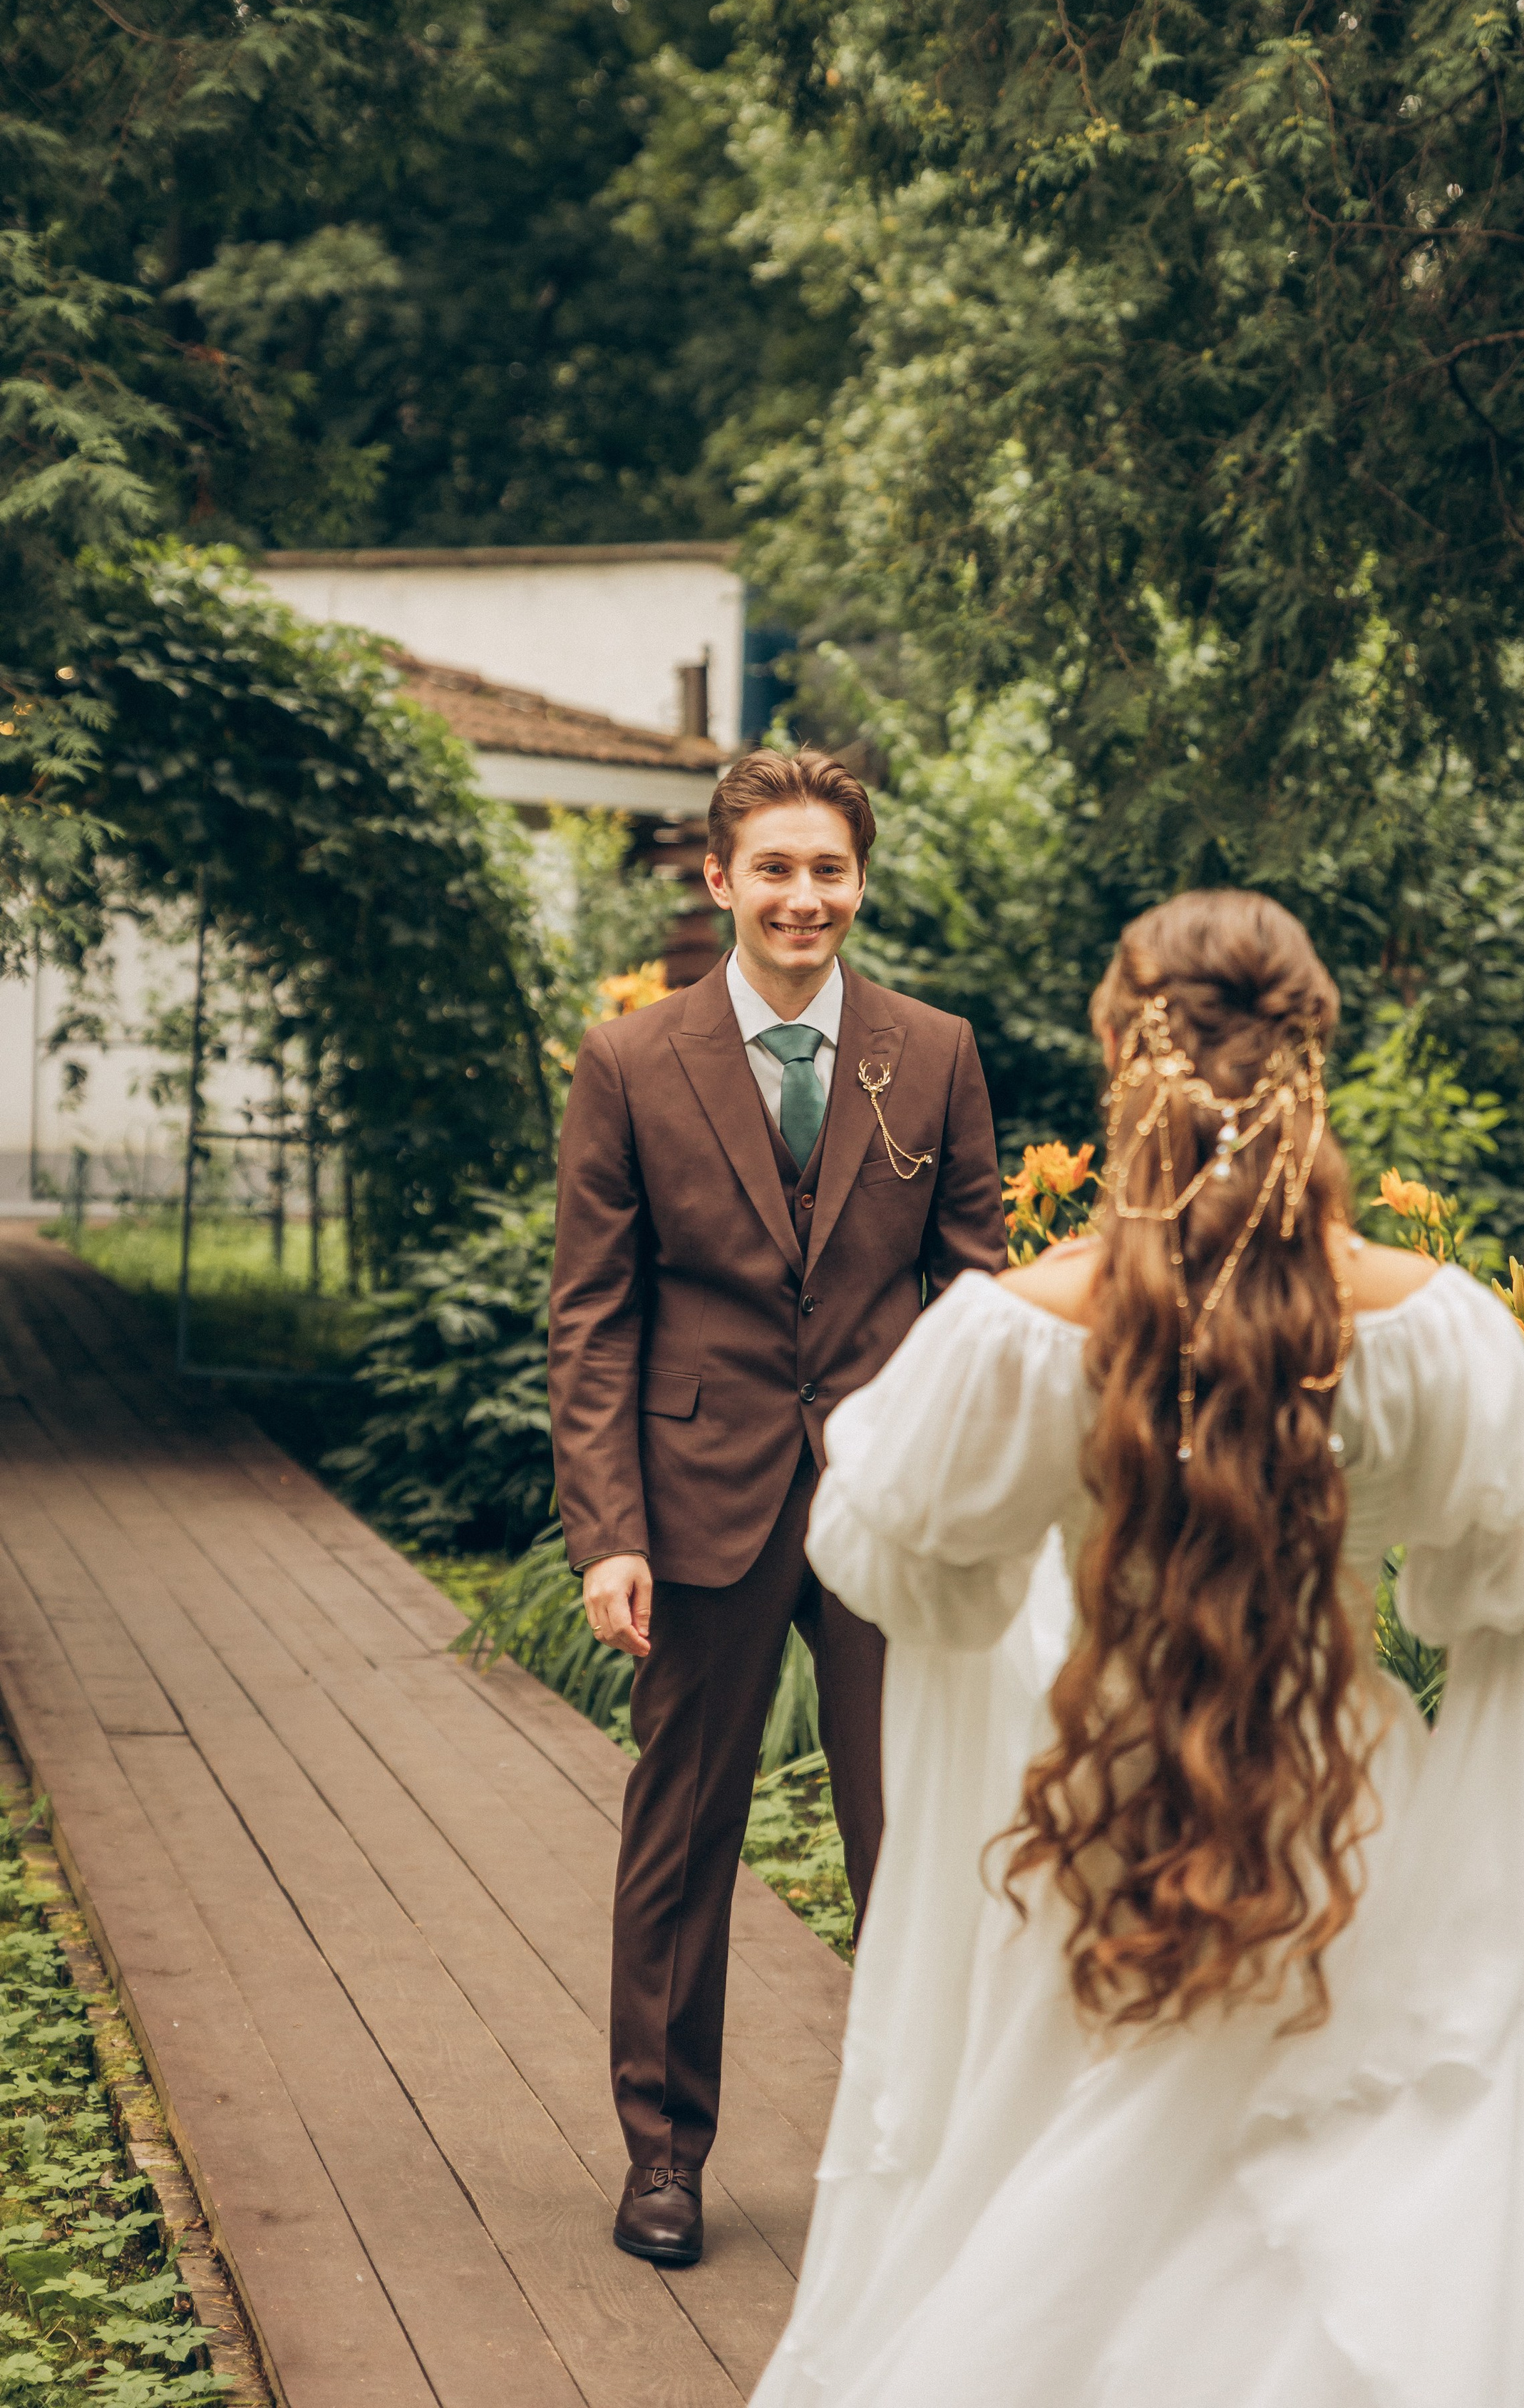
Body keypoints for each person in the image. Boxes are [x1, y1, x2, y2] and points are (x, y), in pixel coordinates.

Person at [754, 888, 1524, 2407]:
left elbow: (908, 1575)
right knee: (1328, 2239)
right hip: (1349, 1837)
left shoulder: (1017, 1337)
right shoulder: (1438, 1334)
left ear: (1120, 1054)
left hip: (1092, 1836)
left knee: (1060, 2219)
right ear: (1314, 1058)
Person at [548, 746, 1007, 2270]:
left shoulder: (932, 1051)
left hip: (891, 1502)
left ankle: (913, 2155)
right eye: (774, 869)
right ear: (719, 881)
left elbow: (977, 1292)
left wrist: (979, 1488)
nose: (801, 897)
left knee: (917, 1836)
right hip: (699, 1501)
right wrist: (609, 1527)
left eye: (828, 869)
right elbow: (593, 1315)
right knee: (681, 1834)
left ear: (857, 878)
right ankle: (662, 2158)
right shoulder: (629, 1063)